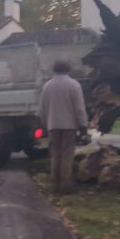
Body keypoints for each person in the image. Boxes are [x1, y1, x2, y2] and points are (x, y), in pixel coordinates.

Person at [40, 60, 88, 193]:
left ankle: (55, 184)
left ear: (54, 69)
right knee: (67, 155)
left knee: (55, 155)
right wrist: (83, 125)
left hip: (52, 125)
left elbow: (43, 108)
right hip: (69, 125)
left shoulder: (47, 86)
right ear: (69, 69)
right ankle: (65, 185)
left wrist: (45, 124)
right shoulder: (74, 85)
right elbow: (79, 109)